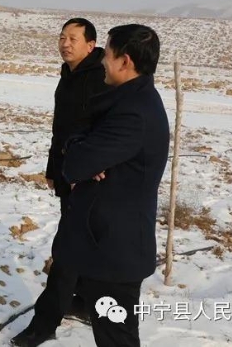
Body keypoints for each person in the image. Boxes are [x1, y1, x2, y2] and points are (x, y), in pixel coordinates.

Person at [49, 24, 169, 346]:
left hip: (116, 250)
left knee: (117, 339)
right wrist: (80, 148)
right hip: (104, 243)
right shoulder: (126, 100)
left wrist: (79, 154)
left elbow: (74, 165)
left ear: (125, 61)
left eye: (108, 53)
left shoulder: (133, 114)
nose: (103, 60)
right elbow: (79, 135)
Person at [12, 18, 111, 346]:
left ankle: (43, 324)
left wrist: (91, 165)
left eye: (73, 38)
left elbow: (104, 130)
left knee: (67, 249)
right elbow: (62, 130)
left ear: (90, 45)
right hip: (69, 174)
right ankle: (82, 302)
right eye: (62, 37)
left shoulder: (100, 78)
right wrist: (54, 169)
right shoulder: (68, 75)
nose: (65, 43)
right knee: (81, 244)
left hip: (90, 178)